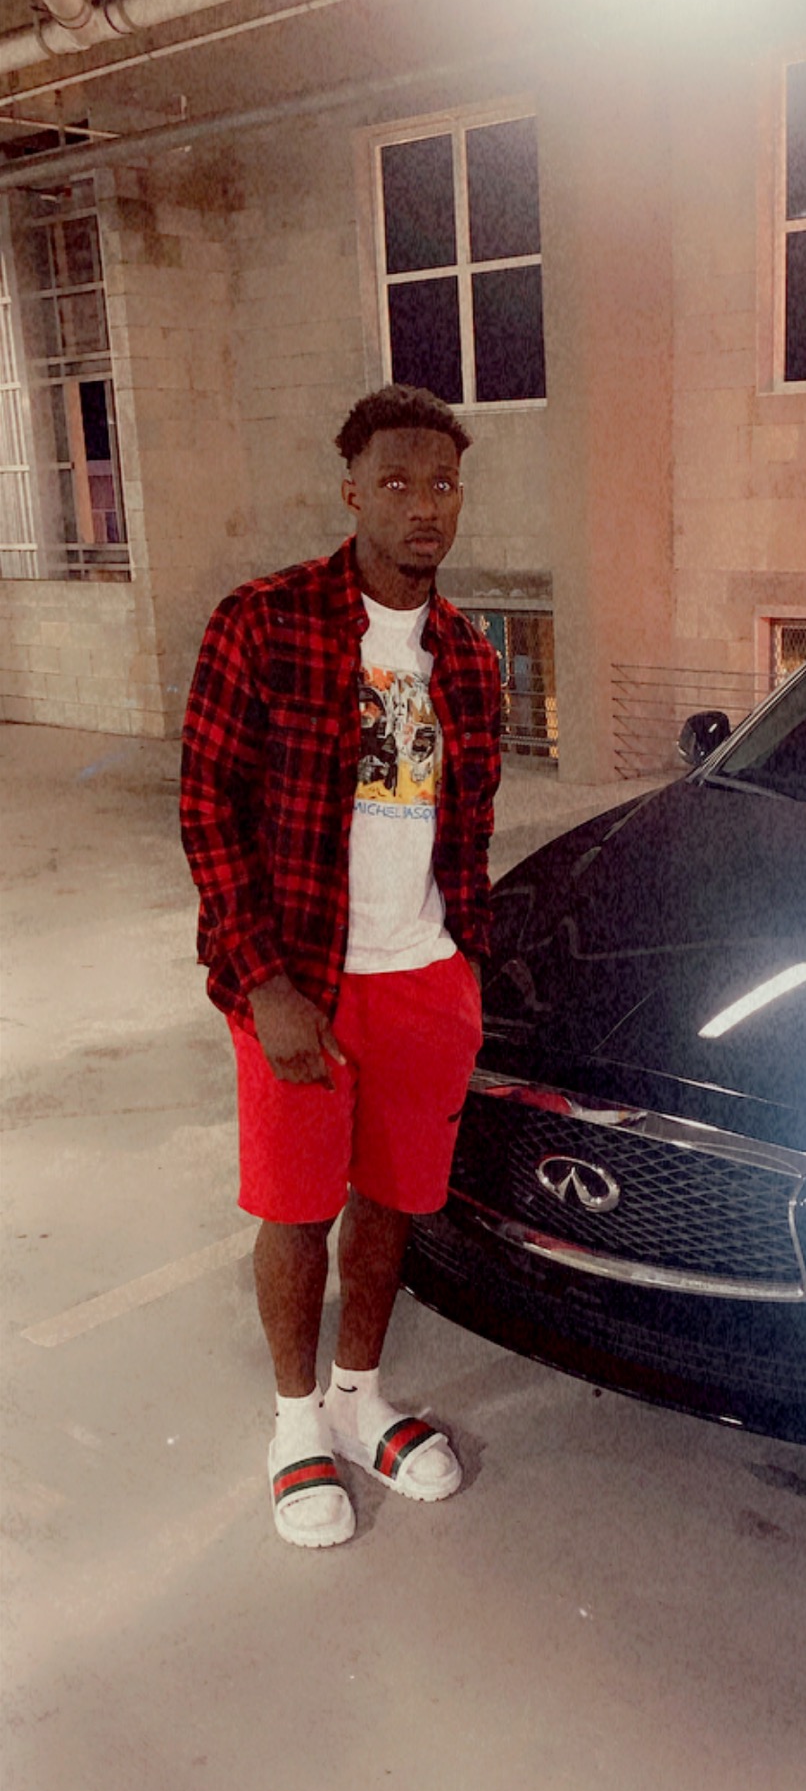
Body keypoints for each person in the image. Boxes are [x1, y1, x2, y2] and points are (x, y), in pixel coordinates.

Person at [180, 384, 502, 1548]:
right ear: (352, 491)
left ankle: (364, 1396)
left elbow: (464, 831)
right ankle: (295, 1419)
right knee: (296, 1206)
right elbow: (208, 808)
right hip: (301, 974)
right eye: (401, 482)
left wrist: (461, 968)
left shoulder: (468, 655)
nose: (427, 505)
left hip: (421, 973)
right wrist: (263, 981)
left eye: (445, 483)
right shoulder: (263, 622)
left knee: (391, 1201)